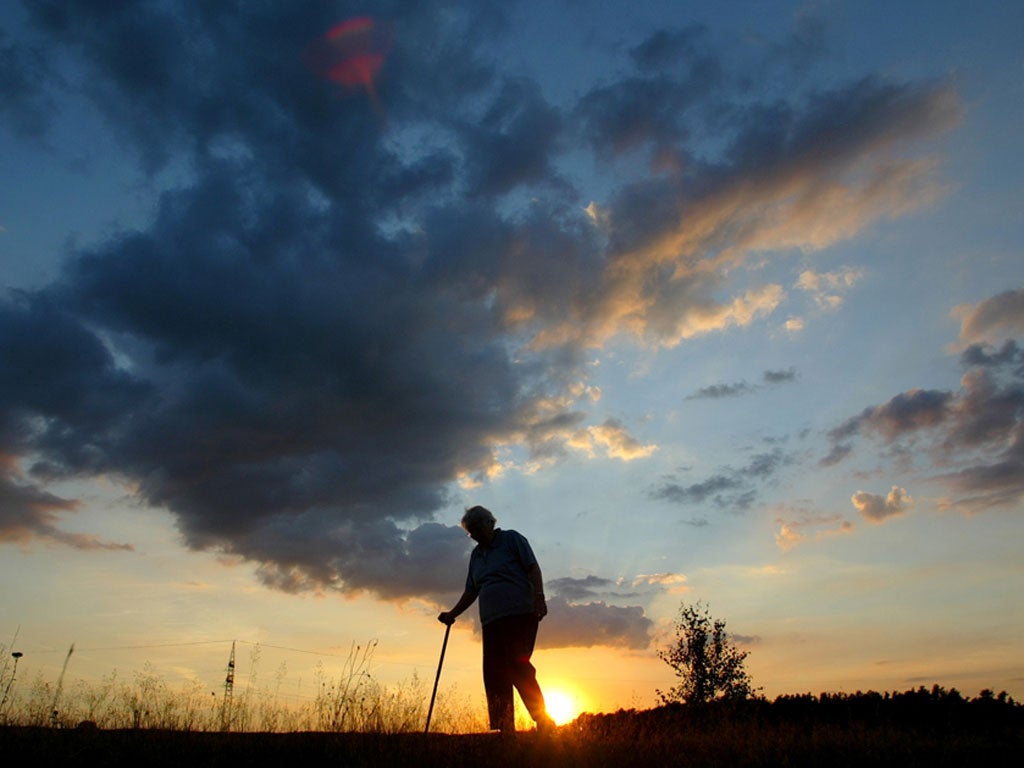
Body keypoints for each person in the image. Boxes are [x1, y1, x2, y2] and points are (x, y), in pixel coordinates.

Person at [438, 505, 556, 735]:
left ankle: (543, 721)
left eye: (476, 530)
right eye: (470, 532)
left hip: (520, 615)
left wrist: (540, 597)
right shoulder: (476, 555)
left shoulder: (512, 540)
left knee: (517, 665)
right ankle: (504, 728)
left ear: (489, 524)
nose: (473, 536)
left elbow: (533, 568)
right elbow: (472, 590)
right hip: (491, 622)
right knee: (494, 673)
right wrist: (453, 613)